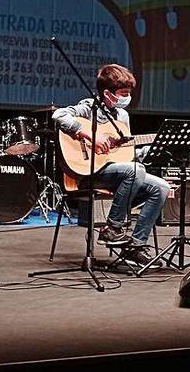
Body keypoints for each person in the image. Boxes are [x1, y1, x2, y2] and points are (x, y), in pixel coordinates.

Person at [52, 64, 169, 268]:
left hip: (119, 173)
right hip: (89, 171)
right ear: (107, 93)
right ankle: (112, 229)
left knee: (160, 187)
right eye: (123, 93)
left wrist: (152, 151)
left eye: (129, 93)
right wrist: (89, 135)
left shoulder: (123, 116)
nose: (127, 98)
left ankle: (136, 245)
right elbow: (59, 115)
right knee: (135, 171)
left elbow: (127, 155)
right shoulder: (88, 108)